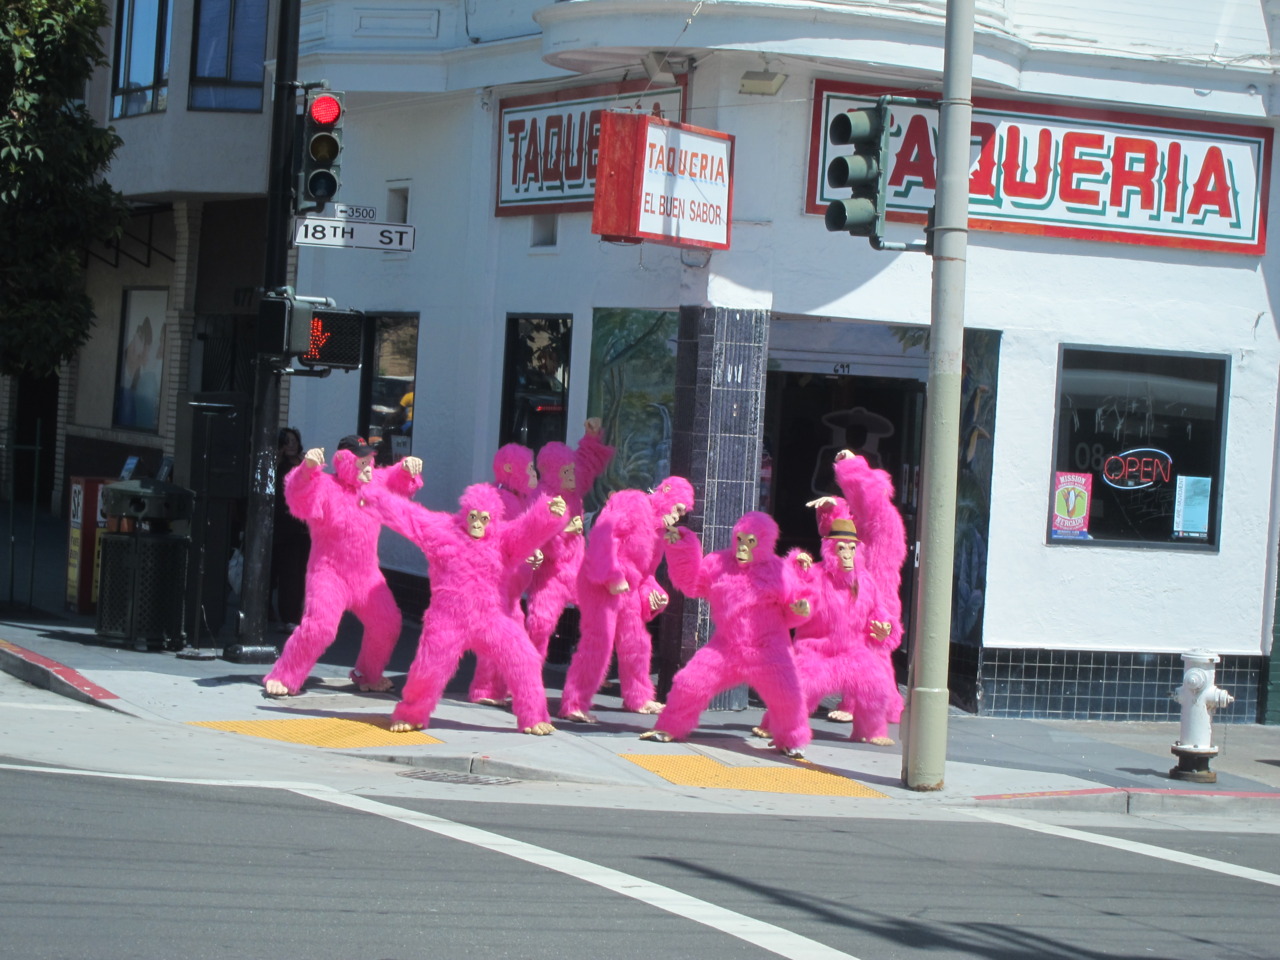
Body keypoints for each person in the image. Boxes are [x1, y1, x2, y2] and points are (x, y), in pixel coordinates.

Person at [361, 481, 569, 735]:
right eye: (473, 517)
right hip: (447, 621)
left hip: (491, 619)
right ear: (464, 514)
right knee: (427, 669)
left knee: (524, 658)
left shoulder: (503, 538)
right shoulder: (443, 530)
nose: (477, 524)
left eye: (484, 519)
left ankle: (534, 717)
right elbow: (409, 515)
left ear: (492, 520)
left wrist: (548, 514)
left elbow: (527, 531)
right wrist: (372, 498)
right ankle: (411, 714)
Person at [641, 511, 813, 758]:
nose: (742, 547)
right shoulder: (717, 563)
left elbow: (792, 612)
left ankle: (792, 739)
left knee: (789, 696)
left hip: (769, 649)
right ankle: (669, 727)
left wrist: (801, 610)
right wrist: (681, 548)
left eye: (751, 542)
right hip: (726, 647)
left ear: (764, 543)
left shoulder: (780, 571)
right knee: (689, 683)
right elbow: (691, 585)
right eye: (740, 539)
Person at [261, 436, 422, 697]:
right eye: (362, 462)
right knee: (320, 627)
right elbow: (297, 496)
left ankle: (368, 674)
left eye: (370, 461)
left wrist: (407, 468)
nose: (369, 468)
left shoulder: (374, 483)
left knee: (387, 623)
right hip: (329, 572)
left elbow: (396, 479)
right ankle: (284, 674)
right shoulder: (325, 486)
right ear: (345, 463)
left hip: (367, 575)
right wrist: (306, 470)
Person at [557, 477, 694, 722]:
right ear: (666, 493)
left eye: (681, 514)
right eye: (677, 509)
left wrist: (654, 595)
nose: (676, 517)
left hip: (627, 588)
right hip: (600, 583)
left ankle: (638, 698)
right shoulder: (633, 502)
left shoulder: (658, 532)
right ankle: (574, 703)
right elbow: (603, 535)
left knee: (637, 641)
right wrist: (611, 575)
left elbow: (646, 574)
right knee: (598, 641)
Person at [270, 427, 310, 629]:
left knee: (300, 574)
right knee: (288, 574)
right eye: (287, 441)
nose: (291, 445)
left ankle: (293, 615)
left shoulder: (304, 464)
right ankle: (288, 617)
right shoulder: (279, 466)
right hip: (285, 526)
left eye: (294, 441)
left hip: (304, 527)